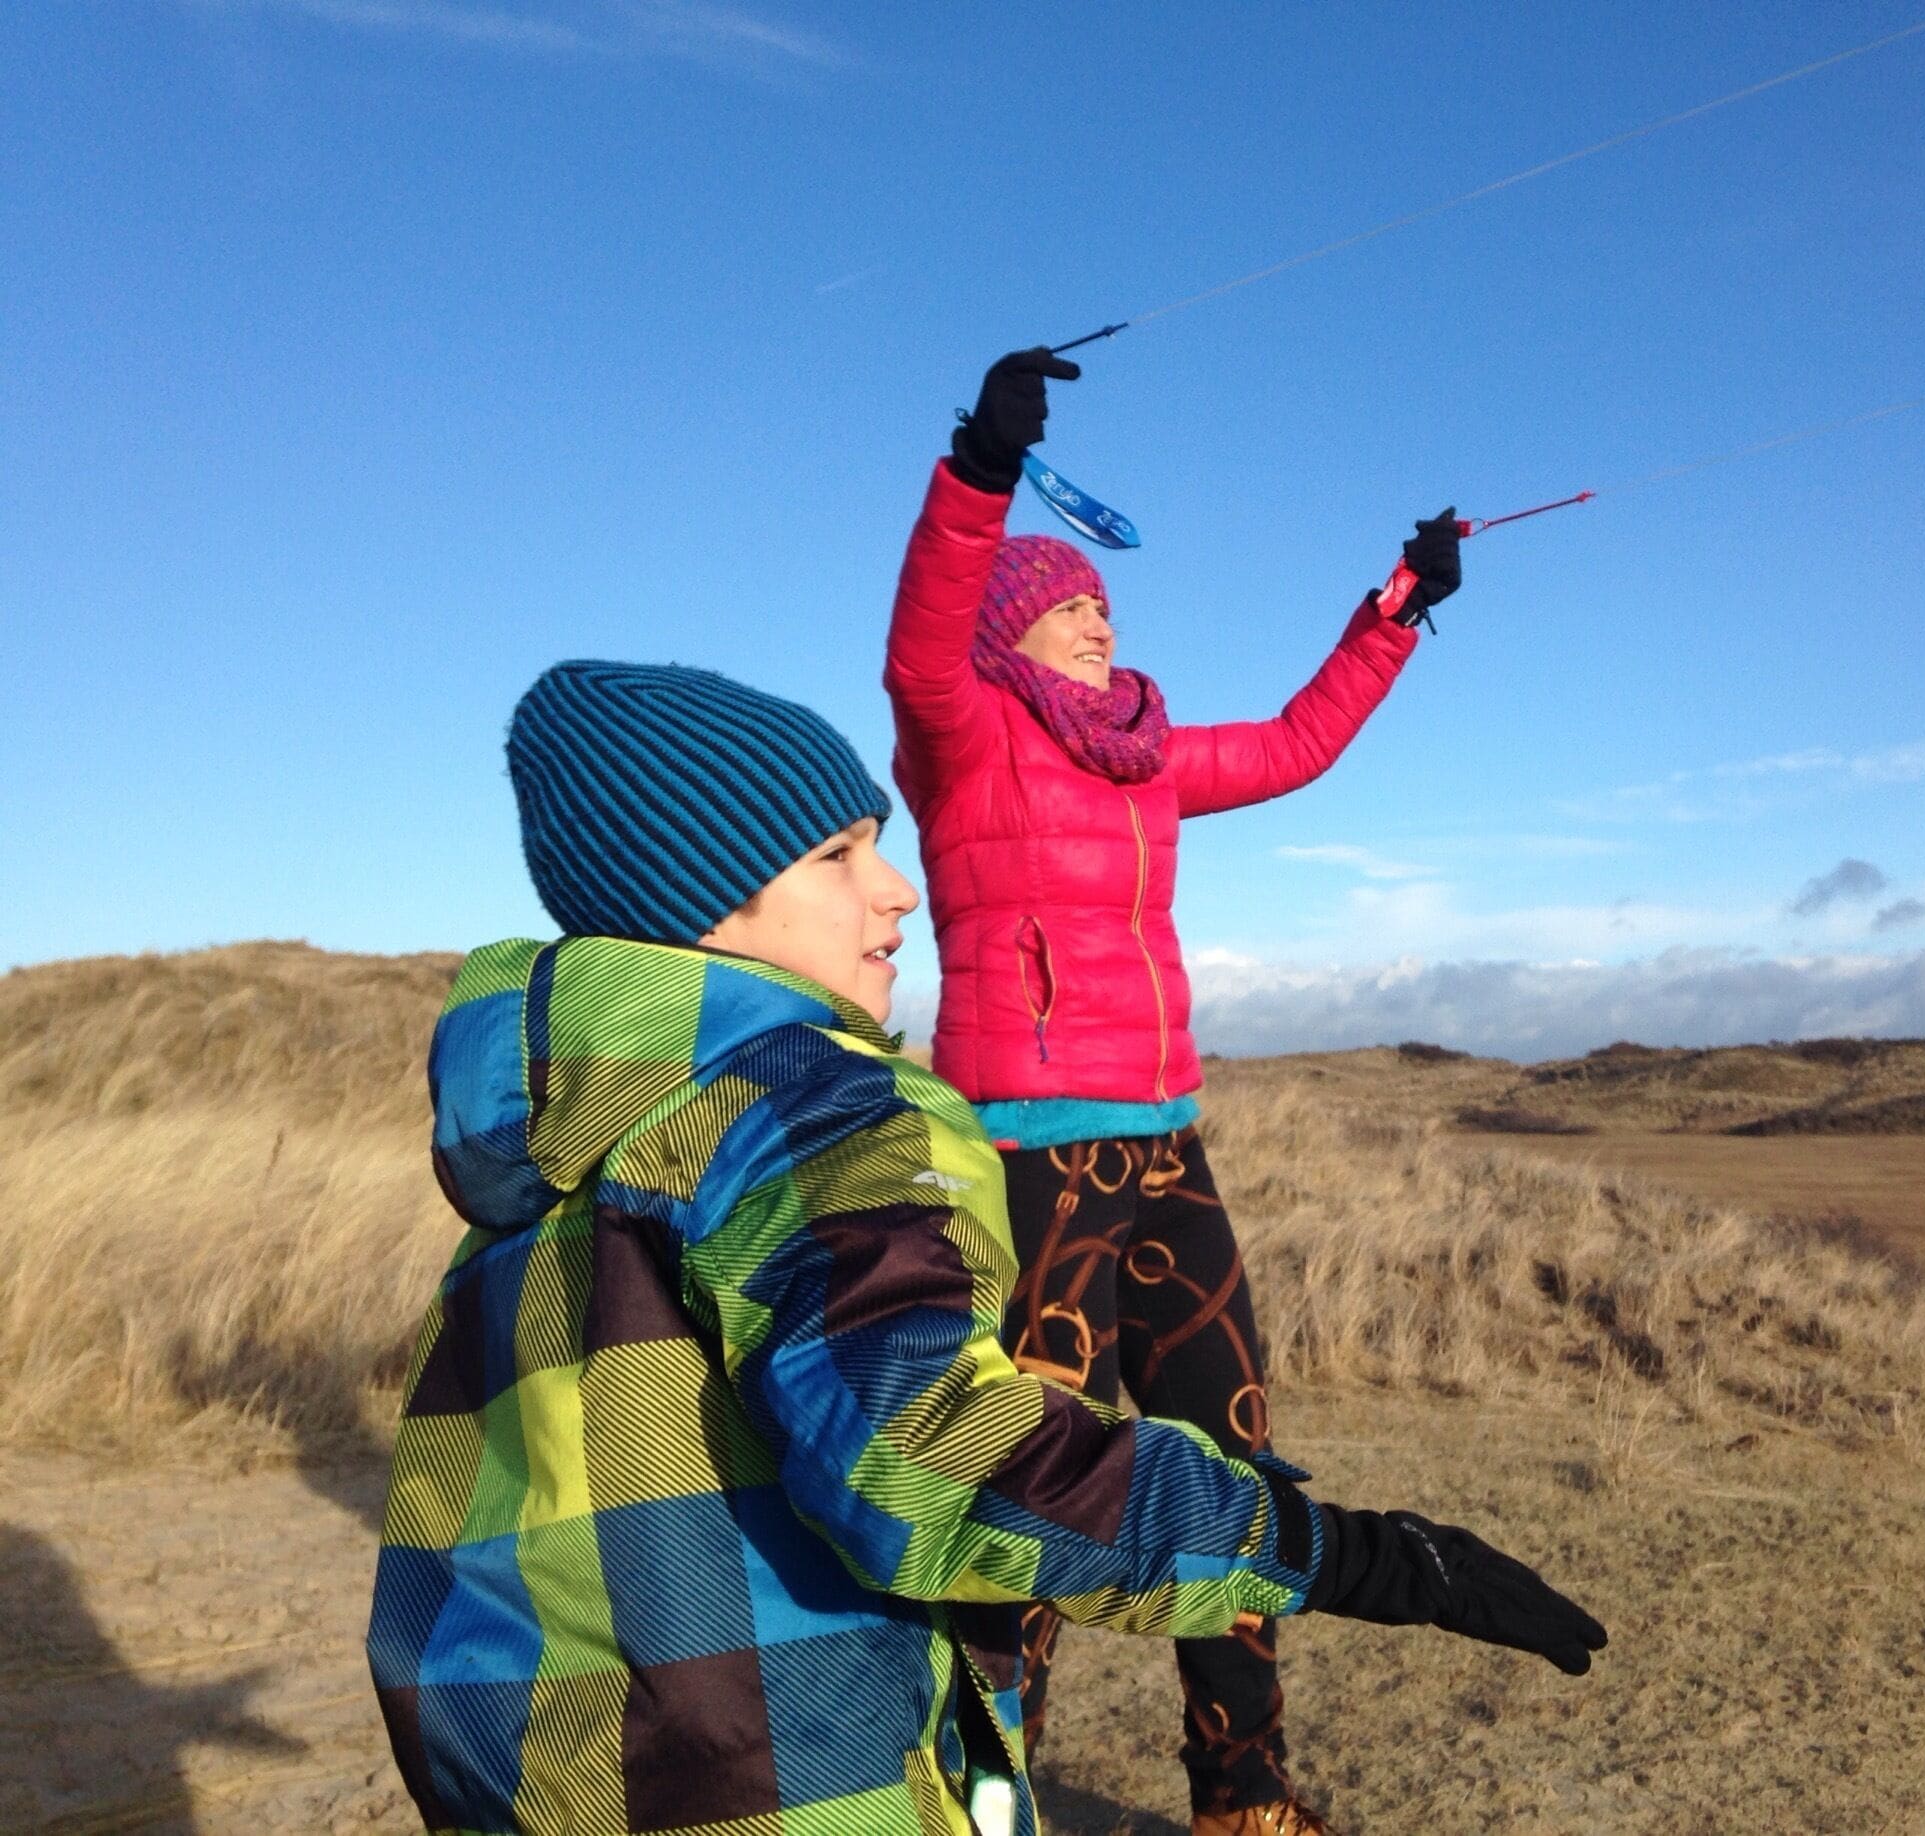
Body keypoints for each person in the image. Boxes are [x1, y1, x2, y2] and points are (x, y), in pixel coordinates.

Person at [367, 659, 1603, 1836]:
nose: (895, 888)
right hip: (796, 1776)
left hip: (561, 1778)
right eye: (840, 853)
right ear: (703, 899)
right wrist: (1340, 1552)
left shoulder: (544, 1172)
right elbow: (930, 1452)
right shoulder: (811, 1105)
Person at [885, 351, 1467, 1833]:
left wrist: (1396, 607)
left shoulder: (1148, 760)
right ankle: (985, 1809)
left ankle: (1245, 1800)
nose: (1104, 622)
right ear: (1020, 629)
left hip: (1166, 1146)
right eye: (1077, 608)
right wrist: (979, 471)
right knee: (1027, 1504)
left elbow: (1293, 744)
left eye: (1109, 606)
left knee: (1237, 1466)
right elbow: (921, 642)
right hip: (1029, 1153)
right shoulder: (962, 740)